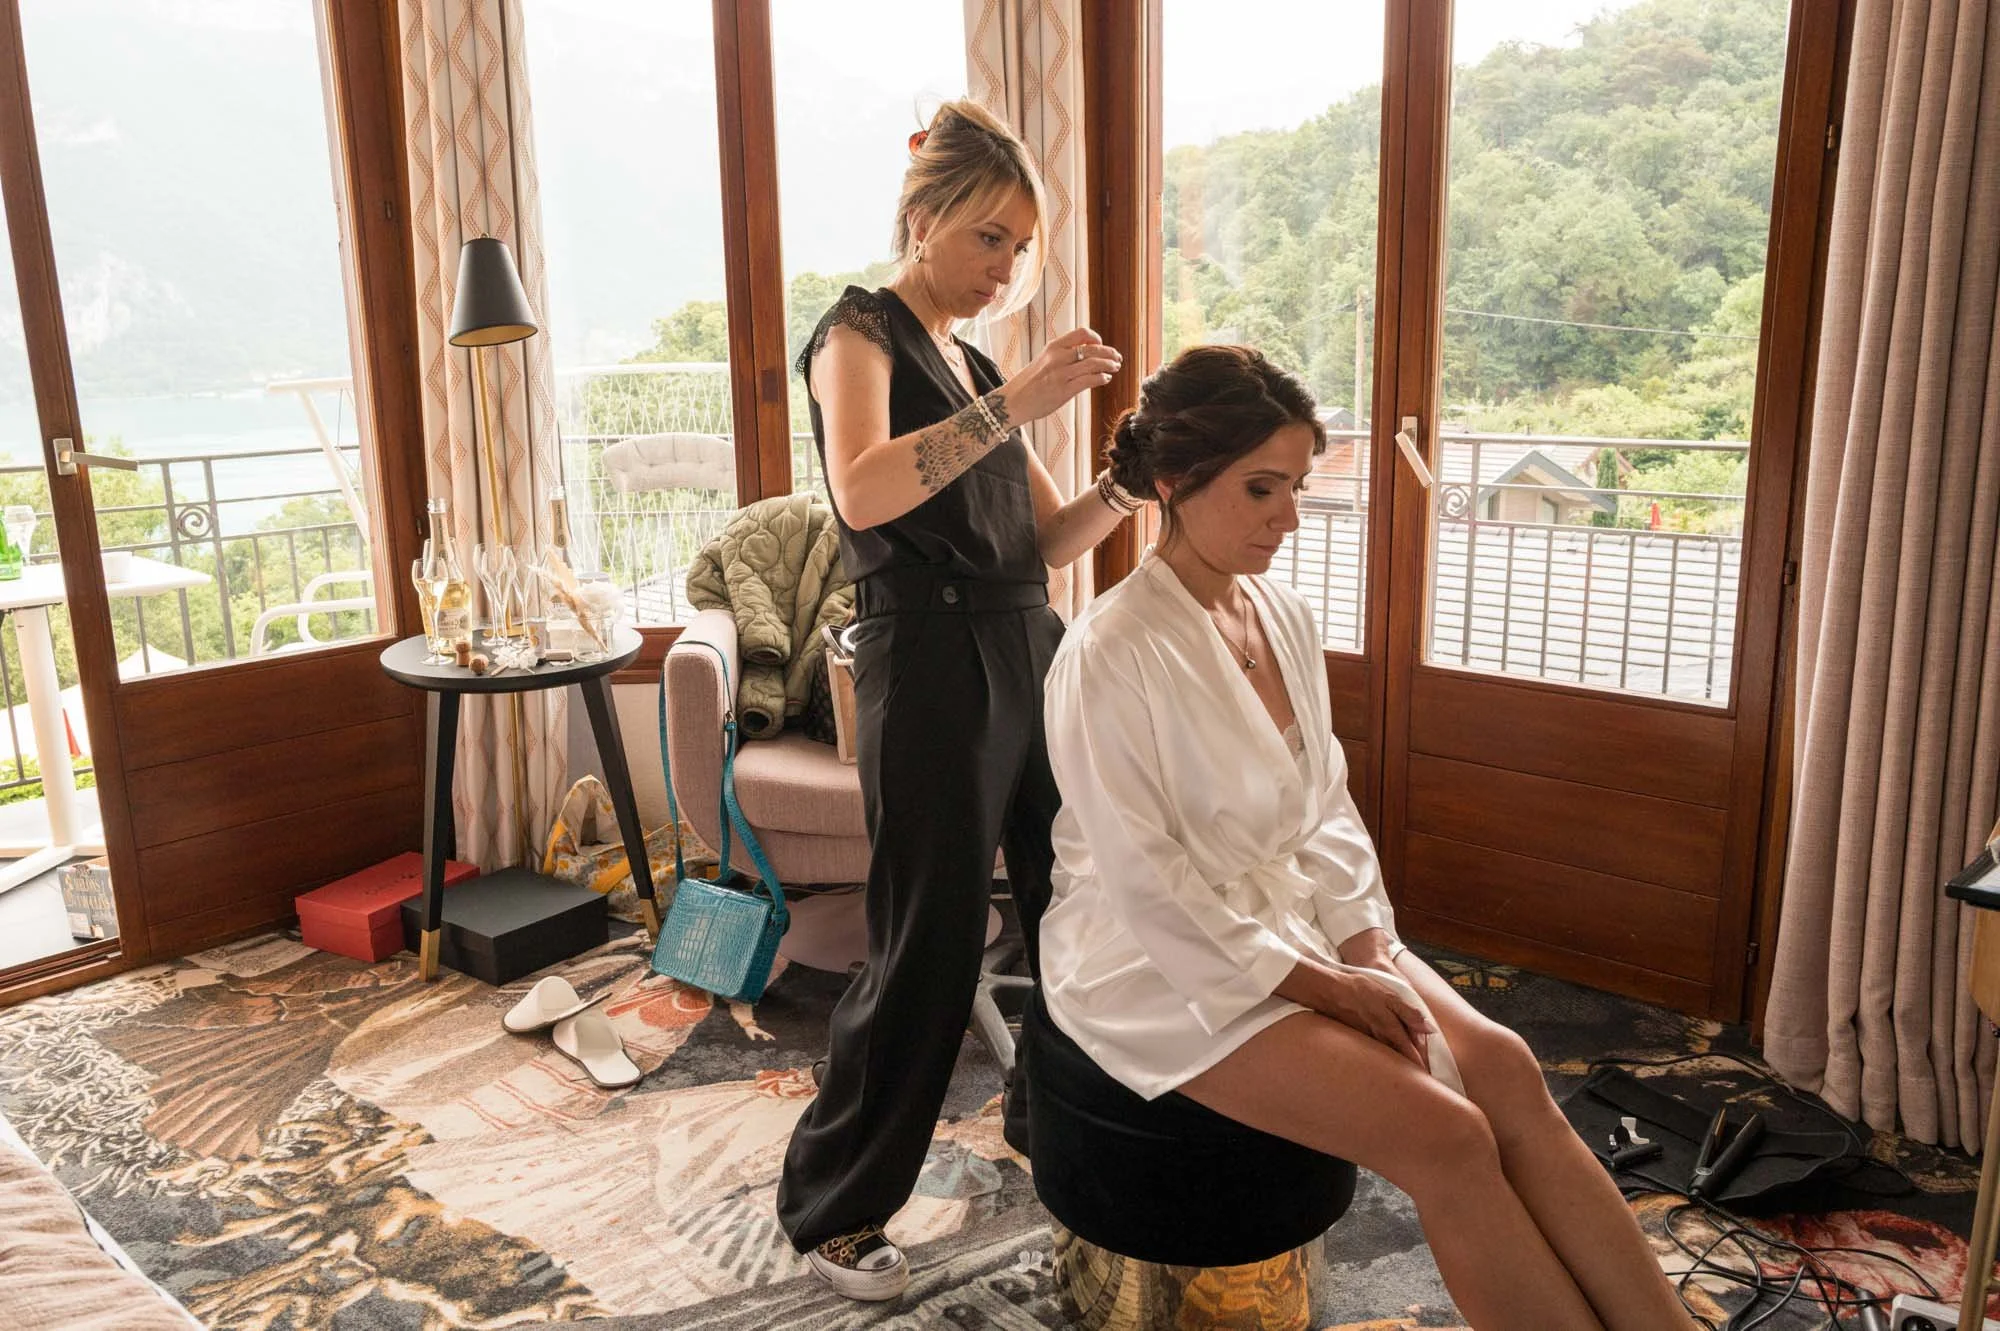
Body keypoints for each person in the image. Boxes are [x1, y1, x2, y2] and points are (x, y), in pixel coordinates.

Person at [1036, 345, 1701, 1331]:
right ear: (1173, 482)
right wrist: (1323, 985)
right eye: (1261, 488)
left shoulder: (1280, 614)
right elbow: (1148, 884)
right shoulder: (1109, 650)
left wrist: (1363, 941)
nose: (1289, 517)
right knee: (1444, 1133)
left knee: (1507, 1068)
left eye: (1296, 486)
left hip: (1292, 920)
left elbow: (1323, 804)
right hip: (1153, 966)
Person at [777, 99, 1143, 1301]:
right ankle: (835, 1207)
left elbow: (1047, 537)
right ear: (922, 218)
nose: (1007, 268)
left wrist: (1129, 480)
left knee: (1066, 903)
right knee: (929, 940)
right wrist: (1019, 402)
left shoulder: (976, 364)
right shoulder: (856, 333)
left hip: (1024, 644)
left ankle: (1059, 1134)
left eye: (1021, 246)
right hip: (925, 667)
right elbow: (865, 492)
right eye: (989, 237)